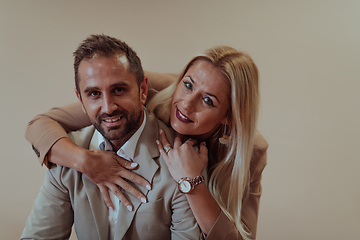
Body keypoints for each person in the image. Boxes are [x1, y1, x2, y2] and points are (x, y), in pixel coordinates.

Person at [26, 45, 268, 239]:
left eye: (208, 100)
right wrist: (86, 161)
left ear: (229, 115)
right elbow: (41, 124)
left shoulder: (250, 151)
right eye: (187, 85)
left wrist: (190, 183)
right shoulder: (149, 94)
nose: (185, 104)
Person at [21, 34, 200, 240]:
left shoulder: (183, 160)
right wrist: (85, 161)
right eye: (94, 94)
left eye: (118, 90)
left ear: (143, 90)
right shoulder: (66, 157)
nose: (108, 107)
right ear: (80, 99)